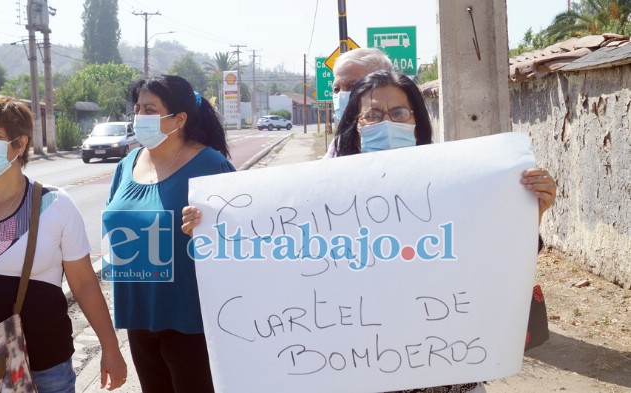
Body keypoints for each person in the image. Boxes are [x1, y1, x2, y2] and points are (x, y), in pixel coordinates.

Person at [182, 70, 556, 393]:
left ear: (416, 122)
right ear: (356, 128)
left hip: (445, 373)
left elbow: (496, 258)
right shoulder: (315, 197)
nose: (386, 123)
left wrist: (527, 212)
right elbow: (272, 259)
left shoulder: (459, 184)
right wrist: (215, 231)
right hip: (351, 373)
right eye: (372, 115)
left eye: (398, 113)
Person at [0, 95, 127, 392]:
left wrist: (111, 349)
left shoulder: (55, 204)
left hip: (46, 370)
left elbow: (85, 284)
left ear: (20, 144)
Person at [104, 75, 234, 393]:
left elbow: (240, 237)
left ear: (179, 119)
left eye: (150, 109)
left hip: (190, 320)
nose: (140, 117)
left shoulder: (210, 166)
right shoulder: (126, 165)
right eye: (137, 108)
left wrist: (205, 232)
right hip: (139, 315)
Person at [325, 48, 394, 159]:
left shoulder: (394, 136)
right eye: (336, 89)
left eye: (352, 86)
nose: (342, 95)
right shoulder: (338, 144)